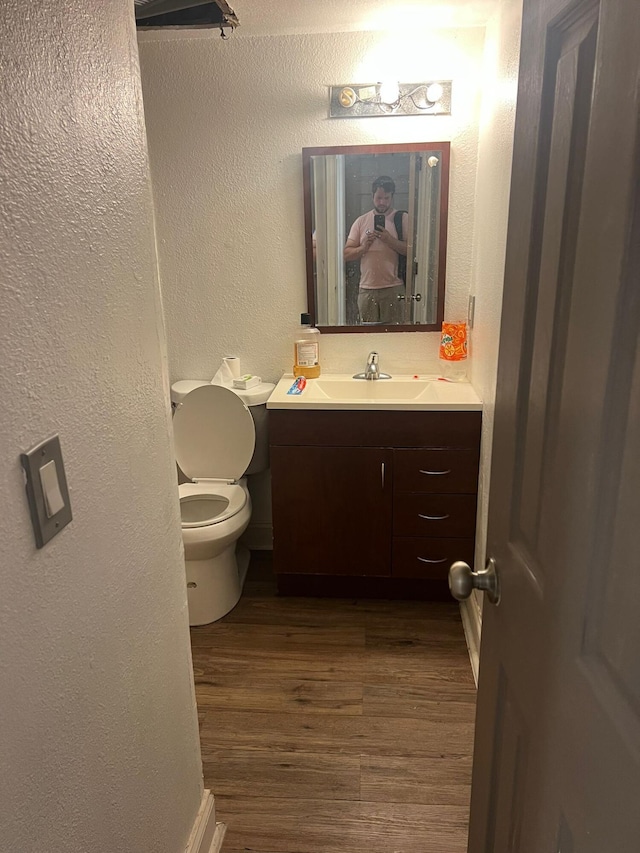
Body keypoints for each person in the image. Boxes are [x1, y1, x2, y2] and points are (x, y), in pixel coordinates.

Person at [343, 176, 408, 324]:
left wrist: (389, 240)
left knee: (395, 337)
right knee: (367, 337)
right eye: (379, 197)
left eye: (386, 198)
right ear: (372, 196)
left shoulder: (402, 218)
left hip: (394, 288)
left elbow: (412, 252)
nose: (382, 202)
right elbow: (346, 254)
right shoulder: (361, 221)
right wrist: (363, 247)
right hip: (367, 289)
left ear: (392, 197)